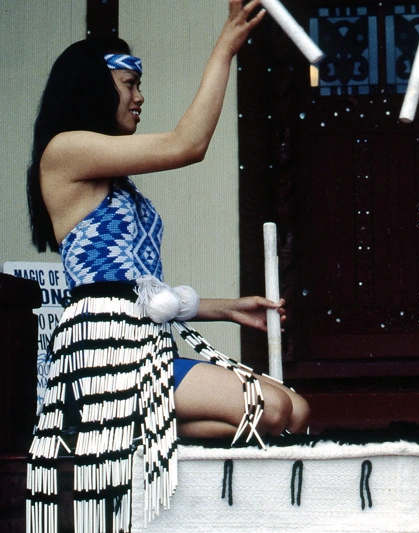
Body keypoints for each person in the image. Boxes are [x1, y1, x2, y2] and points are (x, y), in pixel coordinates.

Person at [25, 1, 309, 530]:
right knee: (271, 409)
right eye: (128, 83)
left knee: (297, 410)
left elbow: (140, 290)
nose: (139, 96)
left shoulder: (112, 178)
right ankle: (118, 426)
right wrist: (225, 48)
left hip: (142, 344)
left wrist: (225, 308)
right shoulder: (64, 152)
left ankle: (132, 431)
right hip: (105, 357)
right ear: (92, 87)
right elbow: (188, 144)